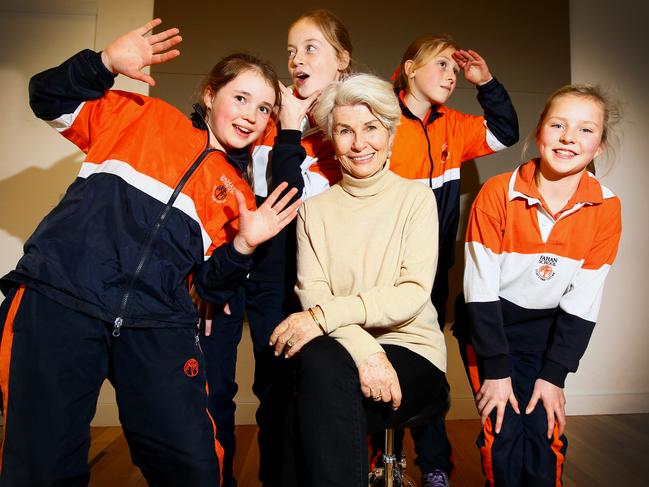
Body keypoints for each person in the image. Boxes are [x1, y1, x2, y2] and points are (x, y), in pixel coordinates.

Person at [0, 19, 303, 487]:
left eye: (264, 108)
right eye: (240, 98)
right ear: (209, 95)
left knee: (194, 469)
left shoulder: (237, 193)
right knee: (41, 465)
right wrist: (102, 64)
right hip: (59, 297)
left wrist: (243, 244)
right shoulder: (140, 116)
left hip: (156, 323)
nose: (250, 114)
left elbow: (208, 289)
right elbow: (46, 97)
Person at [268, 73, 450, 487]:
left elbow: (412, 294)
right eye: (345, 131)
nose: (359, 143)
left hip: (412, 351)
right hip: (342, 353)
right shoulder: (313, 212)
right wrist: (367, 352)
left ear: (389, 132)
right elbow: (312, 291)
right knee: (314, 374)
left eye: (371, 128)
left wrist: (321, 318)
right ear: (331, 138)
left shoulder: (416, 200)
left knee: (306, 401)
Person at [200, 9, 352, 487]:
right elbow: (220, 188)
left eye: (311, 48)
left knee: (289, 398)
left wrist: (290, 129)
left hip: (306, 289)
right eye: (291, 50)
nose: (296, 59)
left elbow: (291, 199)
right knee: (218, 392)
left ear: (342, 61)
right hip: (244, 275)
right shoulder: (268, 122)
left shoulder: (352, 131)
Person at [455, 84, 622, 486]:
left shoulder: (606, 207)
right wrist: (495, 371)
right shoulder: (497, 193)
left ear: (599, 146)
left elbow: (583, 302)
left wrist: (554, 376)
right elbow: (479, 290)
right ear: (539, 131)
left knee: (545, 427)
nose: (569, 137)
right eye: (558, 124)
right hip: (490, 328)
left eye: (586, 130)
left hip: (547, 334)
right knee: (505, 427)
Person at [387, 34, 519, 487]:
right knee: (372, 365)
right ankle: (372, 461)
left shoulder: (455, 126)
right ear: (409, 69)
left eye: (453, 67)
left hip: (431, 274)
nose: (450, 74)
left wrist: (486, 83)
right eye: (439, 64)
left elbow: (505, 131)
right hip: (379, 271)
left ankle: (436, 467)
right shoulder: (378, 118)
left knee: (425, 367)